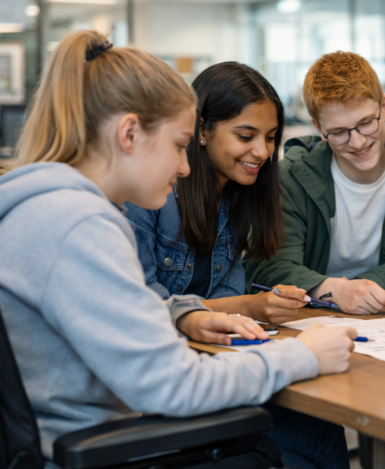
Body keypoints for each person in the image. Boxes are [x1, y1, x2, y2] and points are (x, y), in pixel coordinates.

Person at [0, 31, 357, 469]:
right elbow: (171, 386)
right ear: (129, 134)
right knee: (294, 464)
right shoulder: (80, 224)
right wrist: (302, 355)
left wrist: (185, 313)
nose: (186, 167)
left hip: (75, 446)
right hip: (91, 465)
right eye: (178, 145)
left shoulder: (39, 205)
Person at [245, 51, 385, 314]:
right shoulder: (289, 179)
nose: (357, 142)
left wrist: (364, 286)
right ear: (319, 129)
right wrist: (331, 290)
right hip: (308, 321)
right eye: (339, 132)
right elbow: (266, 270)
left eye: (366, 123)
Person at [125, 62, 311, 335]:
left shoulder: (238, 194)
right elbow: (141, 303)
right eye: (245, 136)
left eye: (271, 137)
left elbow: (228, 291)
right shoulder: (145, 193)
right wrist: (249, 306)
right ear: (201, 130)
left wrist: (252, 306)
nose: (262, 151)